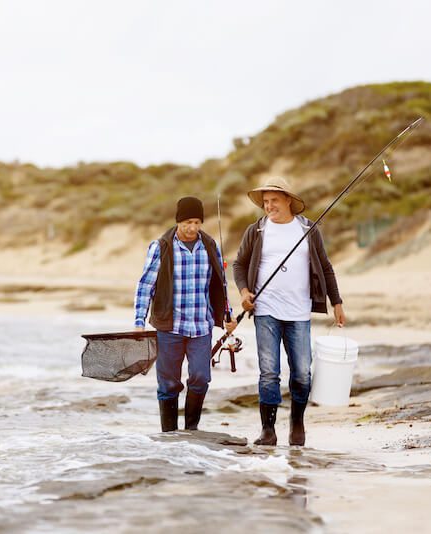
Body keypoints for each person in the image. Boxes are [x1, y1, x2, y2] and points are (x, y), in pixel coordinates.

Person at [232, 177, 345, 446]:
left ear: (288, 201)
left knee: (302, 372)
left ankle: (297, 422)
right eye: (265, 202)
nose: (269, 206)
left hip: (299, 311)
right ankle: (268, 430)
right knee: (269, 372)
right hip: (266, 310)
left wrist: (337, 302)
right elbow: (239, 265)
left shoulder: (308, 229)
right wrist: (244, 292)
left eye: (274, 200)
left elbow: (326, 267)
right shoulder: (256, 230)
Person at [134, 196, 236, 432]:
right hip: (169, 327)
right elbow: (145, 285)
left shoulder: (210, 246)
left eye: (197, 222)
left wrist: (227, 315)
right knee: (168, 384)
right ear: (178, 221)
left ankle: (191, 430)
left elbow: (220, 284)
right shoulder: (161, 247)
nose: (192, 228)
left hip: (201, 326)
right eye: (187, 222)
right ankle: (169, 435)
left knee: (201, 378)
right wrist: (139, 321)